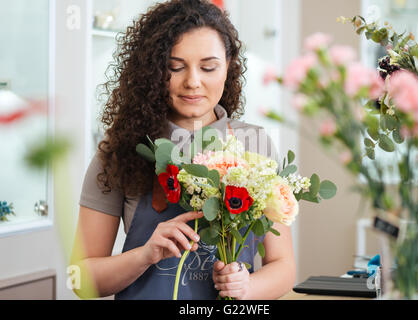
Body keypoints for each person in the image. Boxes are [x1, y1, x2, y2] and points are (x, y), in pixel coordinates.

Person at [71, 0, 295, 300]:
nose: (193, 82)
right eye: (175, 67)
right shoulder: (120, 150)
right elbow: (79, 279)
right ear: (152, 71)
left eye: (208, 67)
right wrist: (146, 255)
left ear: (228, 66)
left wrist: (246, 287)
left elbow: (283, 266)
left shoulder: (254, 144)